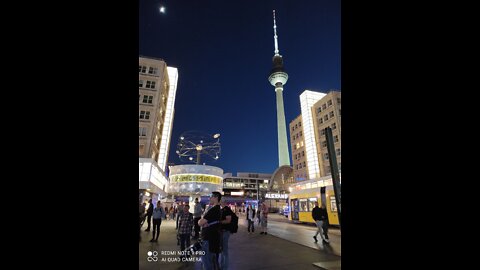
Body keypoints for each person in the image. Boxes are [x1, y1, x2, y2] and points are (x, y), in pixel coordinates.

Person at [198, 192, 222, 270]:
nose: (209, 198)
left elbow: (200, 222)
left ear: (216, 197)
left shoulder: (213, 210)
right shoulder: (218, 209)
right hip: (213, 239)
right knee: (211, 261)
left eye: (211, 197)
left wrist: (202, 220)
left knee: (206, 262)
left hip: (208, 239)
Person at [220, 200, 233, 270]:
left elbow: (228, 220)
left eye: (221, 202)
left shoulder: (227, 209)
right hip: (222, 232)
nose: (220, 203)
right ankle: (222, 266)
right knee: (222, 249)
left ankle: (225, 267)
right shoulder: (222, 210)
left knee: (224, 250)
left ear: (224, 202)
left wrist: (219, 222)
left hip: (225, 232)